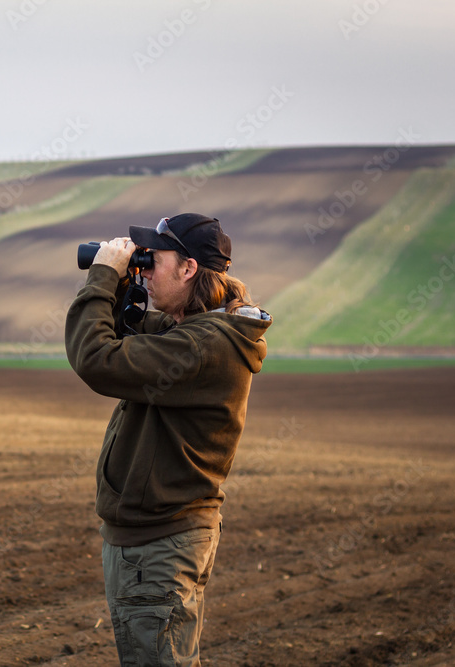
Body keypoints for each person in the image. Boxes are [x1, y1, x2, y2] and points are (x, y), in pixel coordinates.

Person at [64, 213, 271, 666]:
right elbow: (125, 336)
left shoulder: (203, 346)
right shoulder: (194, 332)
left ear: (188, 269)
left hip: (160, 545)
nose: (144, 268)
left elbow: (97, 358)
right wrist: (124, 286)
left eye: (152, 260)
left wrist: (102, 276)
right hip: (155, 540)